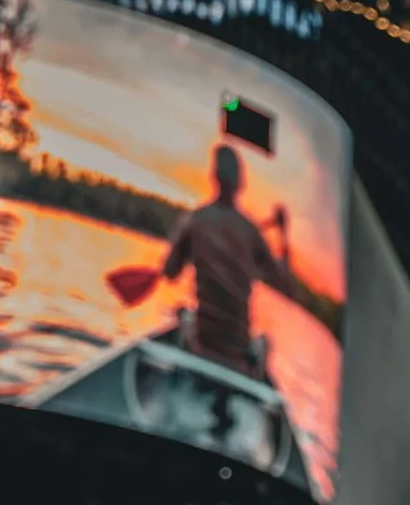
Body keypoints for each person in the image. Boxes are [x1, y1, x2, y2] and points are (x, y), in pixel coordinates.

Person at [110, 139, 283, 375]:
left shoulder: (195, 220)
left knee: (184, 314)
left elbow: (171, 273)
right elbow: (282, 281)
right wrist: (283, 237)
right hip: (237, 355)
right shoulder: (251, 232)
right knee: (265, 343)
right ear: (240, 182)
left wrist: (172, 261)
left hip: (201, 346)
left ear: (214, 176)